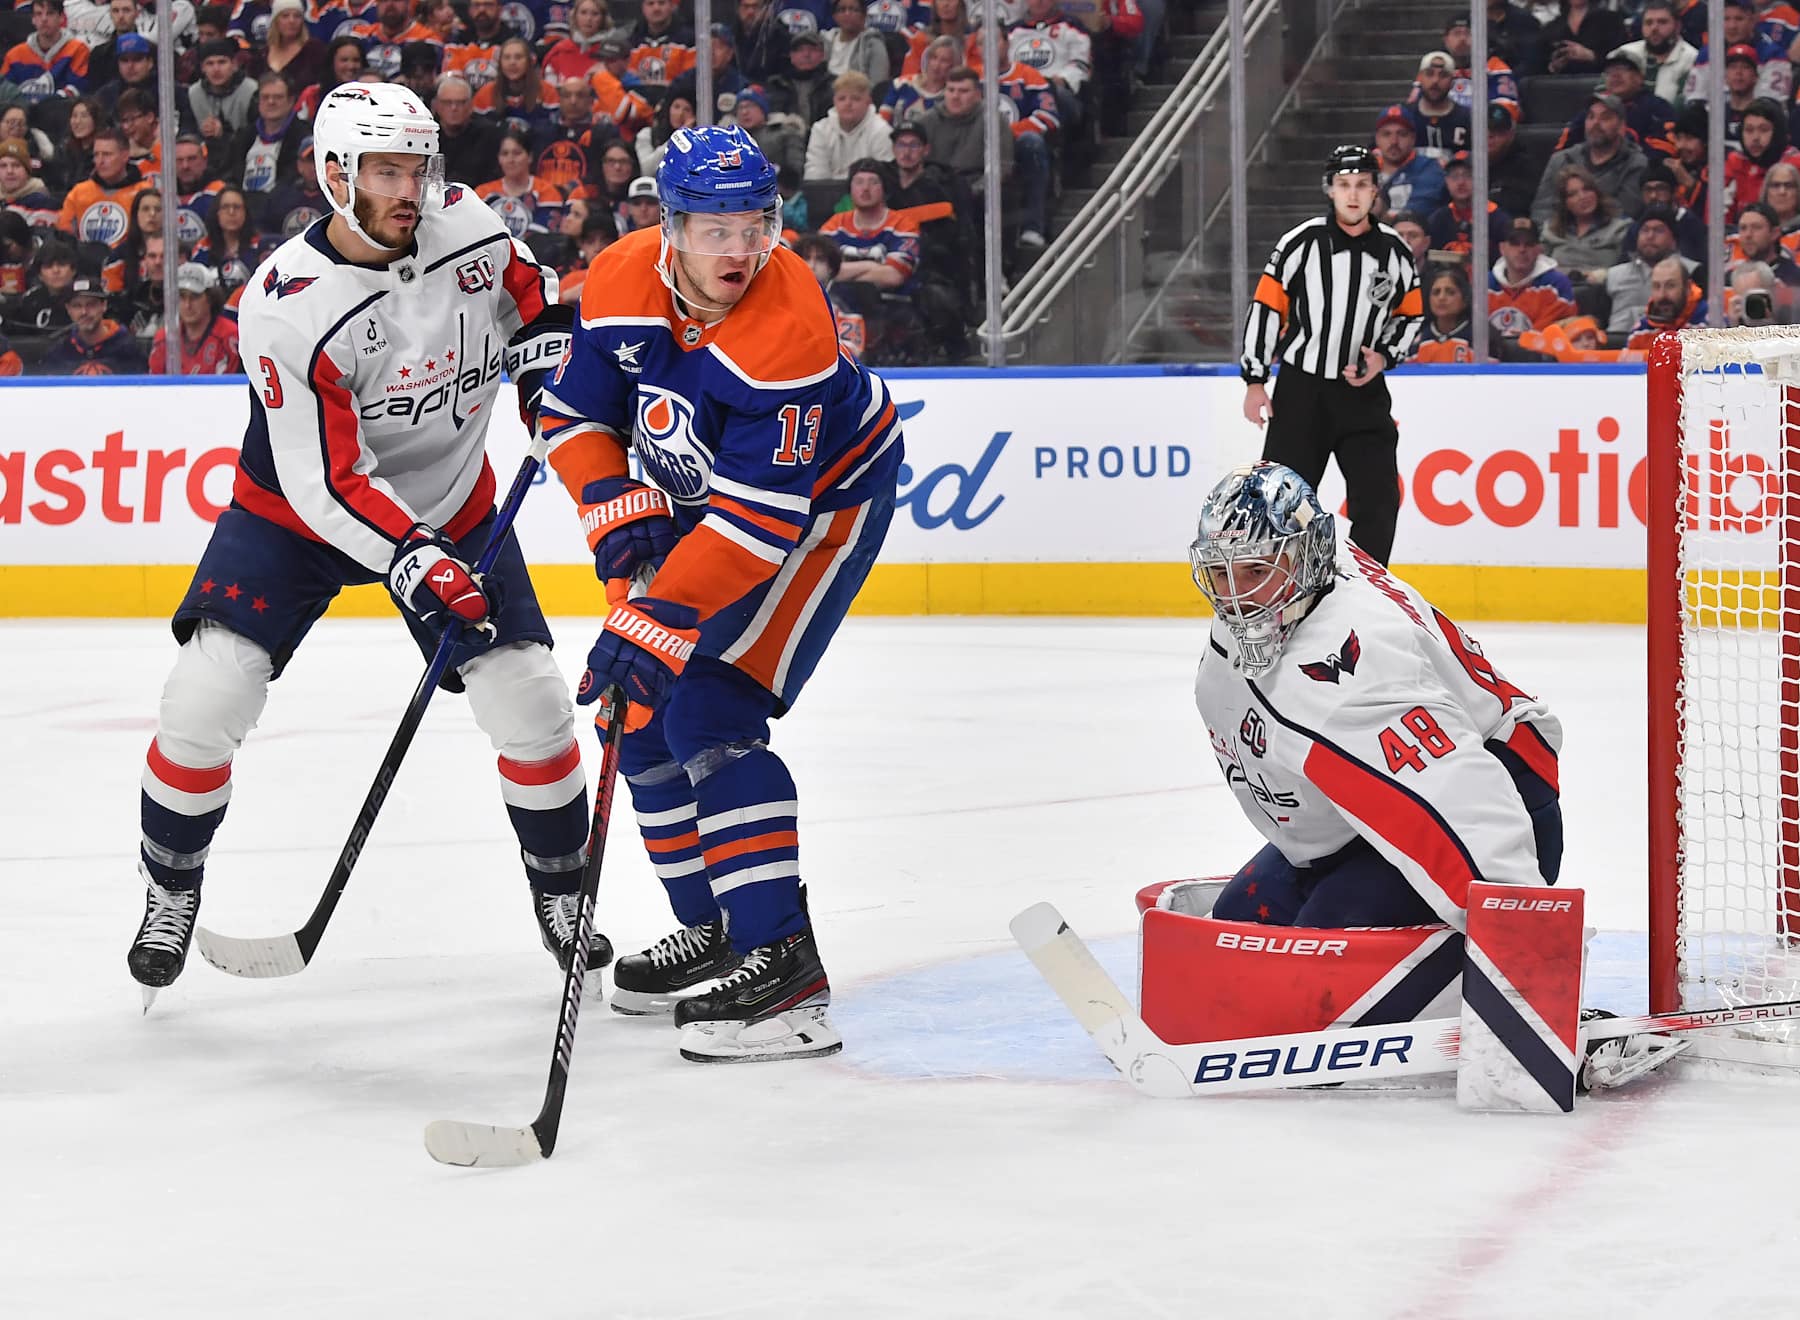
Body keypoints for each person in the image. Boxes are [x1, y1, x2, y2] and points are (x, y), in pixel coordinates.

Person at [123, 83, 597, 1006]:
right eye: (385, 169)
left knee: (533, 703)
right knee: (206, 696)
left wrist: (549, 395)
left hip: (454, 502)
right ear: (335, 174)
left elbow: (534, 309)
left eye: (416, 166)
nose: (408, 187)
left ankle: (565, 898)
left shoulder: (472, 228)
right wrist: (416, 561)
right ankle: (170, 888)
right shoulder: (286, 303)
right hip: (295, 518)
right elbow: (328, 481)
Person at [534, 123, 903, 1063]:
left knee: (708, 707)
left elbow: (760, 527)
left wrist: (652, 616)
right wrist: (613, 510)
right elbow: (574, 415)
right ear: (673, 227)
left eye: (758, 226)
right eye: (718, 229)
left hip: (822, 509)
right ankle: (718, 930)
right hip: (709, 507)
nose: (741, 250)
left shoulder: (790, 330)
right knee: (637, 715)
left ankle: (786, 975)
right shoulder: (620, 277)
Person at [1189, 460, 1563, 933]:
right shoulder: (1309, 571)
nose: (1238, 599)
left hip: (1506, 799)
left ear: (1307, 555)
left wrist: (1522, 934)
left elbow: (1464, 801)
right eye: (1222, 575)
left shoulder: (1357, 665)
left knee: (1314, 955)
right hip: (1360, 820)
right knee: (1239, 923)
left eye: (1256, 571)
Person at [1239, 145, 1421, 567]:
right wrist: (1254, 380)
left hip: (1364, 396)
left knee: (1378, 501)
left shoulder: (1395, 252)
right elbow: (1266, 309)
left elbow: (1411, 317)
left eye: (1361, 185)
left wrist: (1384, 357)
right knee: (1280, 503)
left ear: (1376, 191)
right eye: (1343, 185)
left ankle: (1367, 597)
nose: (1353, 195)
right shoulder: (1300, 244)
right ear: (1330, 190)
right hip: (1302, 393)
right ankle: (1281, 594)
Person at [43, 272, 147, 373]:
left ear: (104, 305)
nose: (84, 312)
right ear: (68, 309)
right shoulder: (59, 353)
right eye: (77, 306)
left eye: (91, 304)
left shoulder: (129, 349)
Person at [148, 261, 242, 373]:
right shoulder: (164, 338)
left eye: (195, 297)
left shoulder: (228, 336)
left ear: (210, 298)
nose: (188, 305)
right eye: (182, 297)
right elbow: (153, 384)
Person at [1373, 105, 1446, 217]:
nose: (1394, 142)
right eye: (1386, 134)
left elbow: (1421, 207)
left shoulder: (1429, 168)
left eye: (1402, 134)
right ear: (1377, 138)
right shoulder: (1367, 169)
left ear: (1413, 138)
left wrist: (1383, 214)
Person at [1410, 265, 1476, 362]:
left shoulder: (1479, 338)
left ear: (1465, 299)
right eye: (1436, 292)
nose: (1441, 298)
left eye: (1450, 292)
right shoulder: (1417, 340)